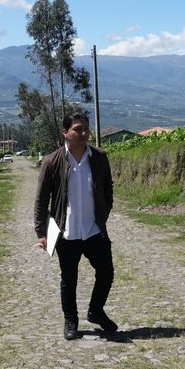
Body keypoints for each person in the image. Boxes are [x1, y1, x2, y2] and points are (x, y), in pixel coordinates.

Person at [34, 111, 118, 340]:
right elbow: (41, 200)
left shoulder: (99, 157)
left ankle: (96, 311)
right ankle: (71, 320)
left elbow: (107, 188)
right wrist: (41, 232)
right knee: (69, 280)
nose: (83, 133)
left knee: (106, 273)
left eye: (85, 129)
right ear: (65, 133)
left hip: (94, 230)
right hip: (67, 233)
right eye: (77, 129)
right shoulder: (52, 161)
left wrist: (104, 212)